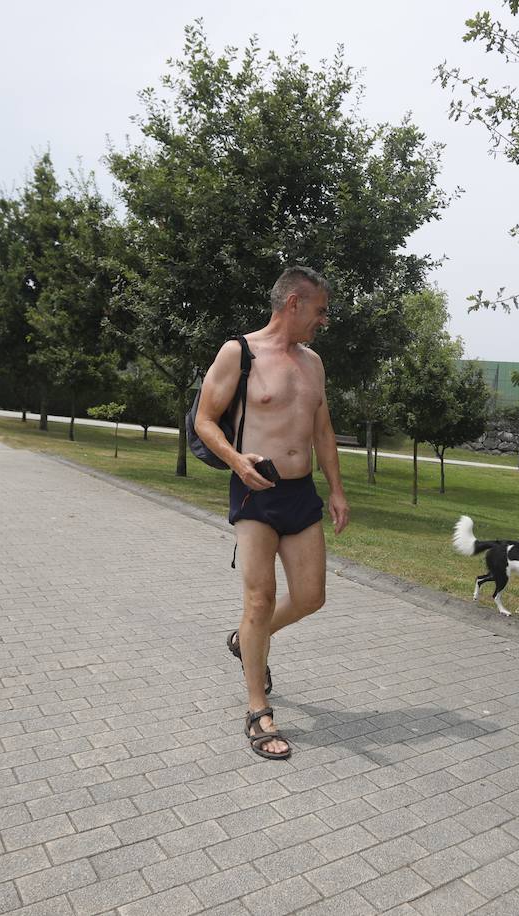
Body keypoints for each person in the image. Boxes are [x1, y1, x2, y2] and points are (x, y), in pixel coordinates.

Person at [194, 266, 349, 760]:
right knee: (260, 599)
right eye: (321, 310)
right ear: (294, 304)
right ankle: (257, 707)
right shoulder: (238, 353)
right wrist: (236, 461)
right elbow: (204, 419)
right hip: (255, 491)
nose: (325, 319)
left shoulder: (315, 363)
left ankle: (247, 639)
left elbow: (323, 430)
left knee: (311, 597)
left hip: (301, 494)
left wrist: (338, 491)